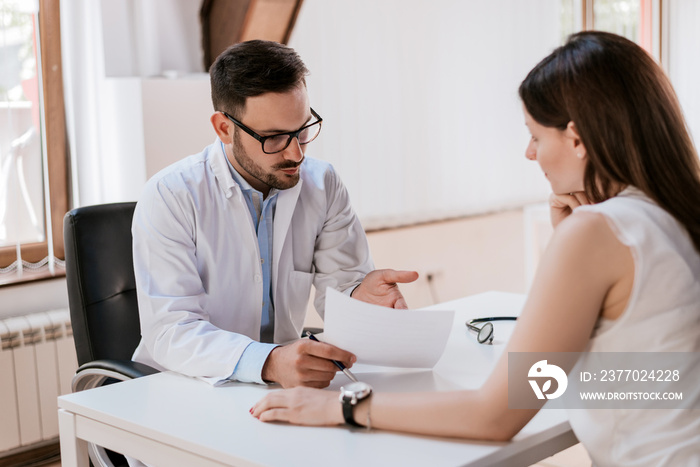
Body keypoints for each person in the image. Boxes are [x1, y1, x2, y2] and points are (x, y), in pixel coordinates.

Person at [251, 31, 700, 465]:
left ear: (577, 139)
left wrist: (341, 407)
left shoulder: (596, 233)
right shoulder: (675, 214)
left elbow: (494, 416)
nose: (530, 153)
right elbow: (656, 380)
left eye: (536, 136)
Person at [131, 40, 418, 389]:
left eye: (302, 130)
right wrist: (266, 361)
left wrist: (360, 299)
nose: (296, 153)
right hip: (188, 385)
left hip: (282, 386)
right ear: (224, 128)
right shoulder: (170, 195)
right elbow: (171, 330)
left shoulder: (322, 183)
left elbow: (341, 287)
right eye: (275, 138)